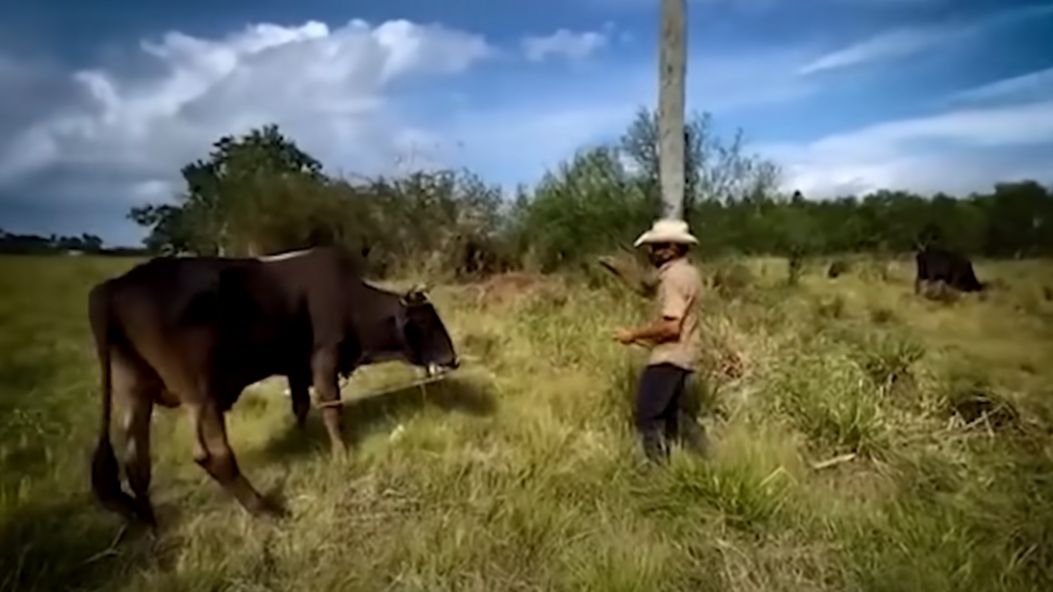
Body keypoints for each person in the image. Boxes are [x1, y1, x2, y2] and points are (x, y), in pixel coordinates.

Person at [613, 218, 708, 463]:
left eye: (657, 246)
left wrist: (633, 335)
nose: (652, 252)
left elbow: (671, 326)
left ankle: (658, 474)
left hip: (669, 356)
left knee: (648, 415)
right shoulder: (690, 273)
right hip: (686, 354)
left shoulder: (672, 278)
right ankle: (709, 460)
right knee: (676, 416)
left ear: (672, 248)